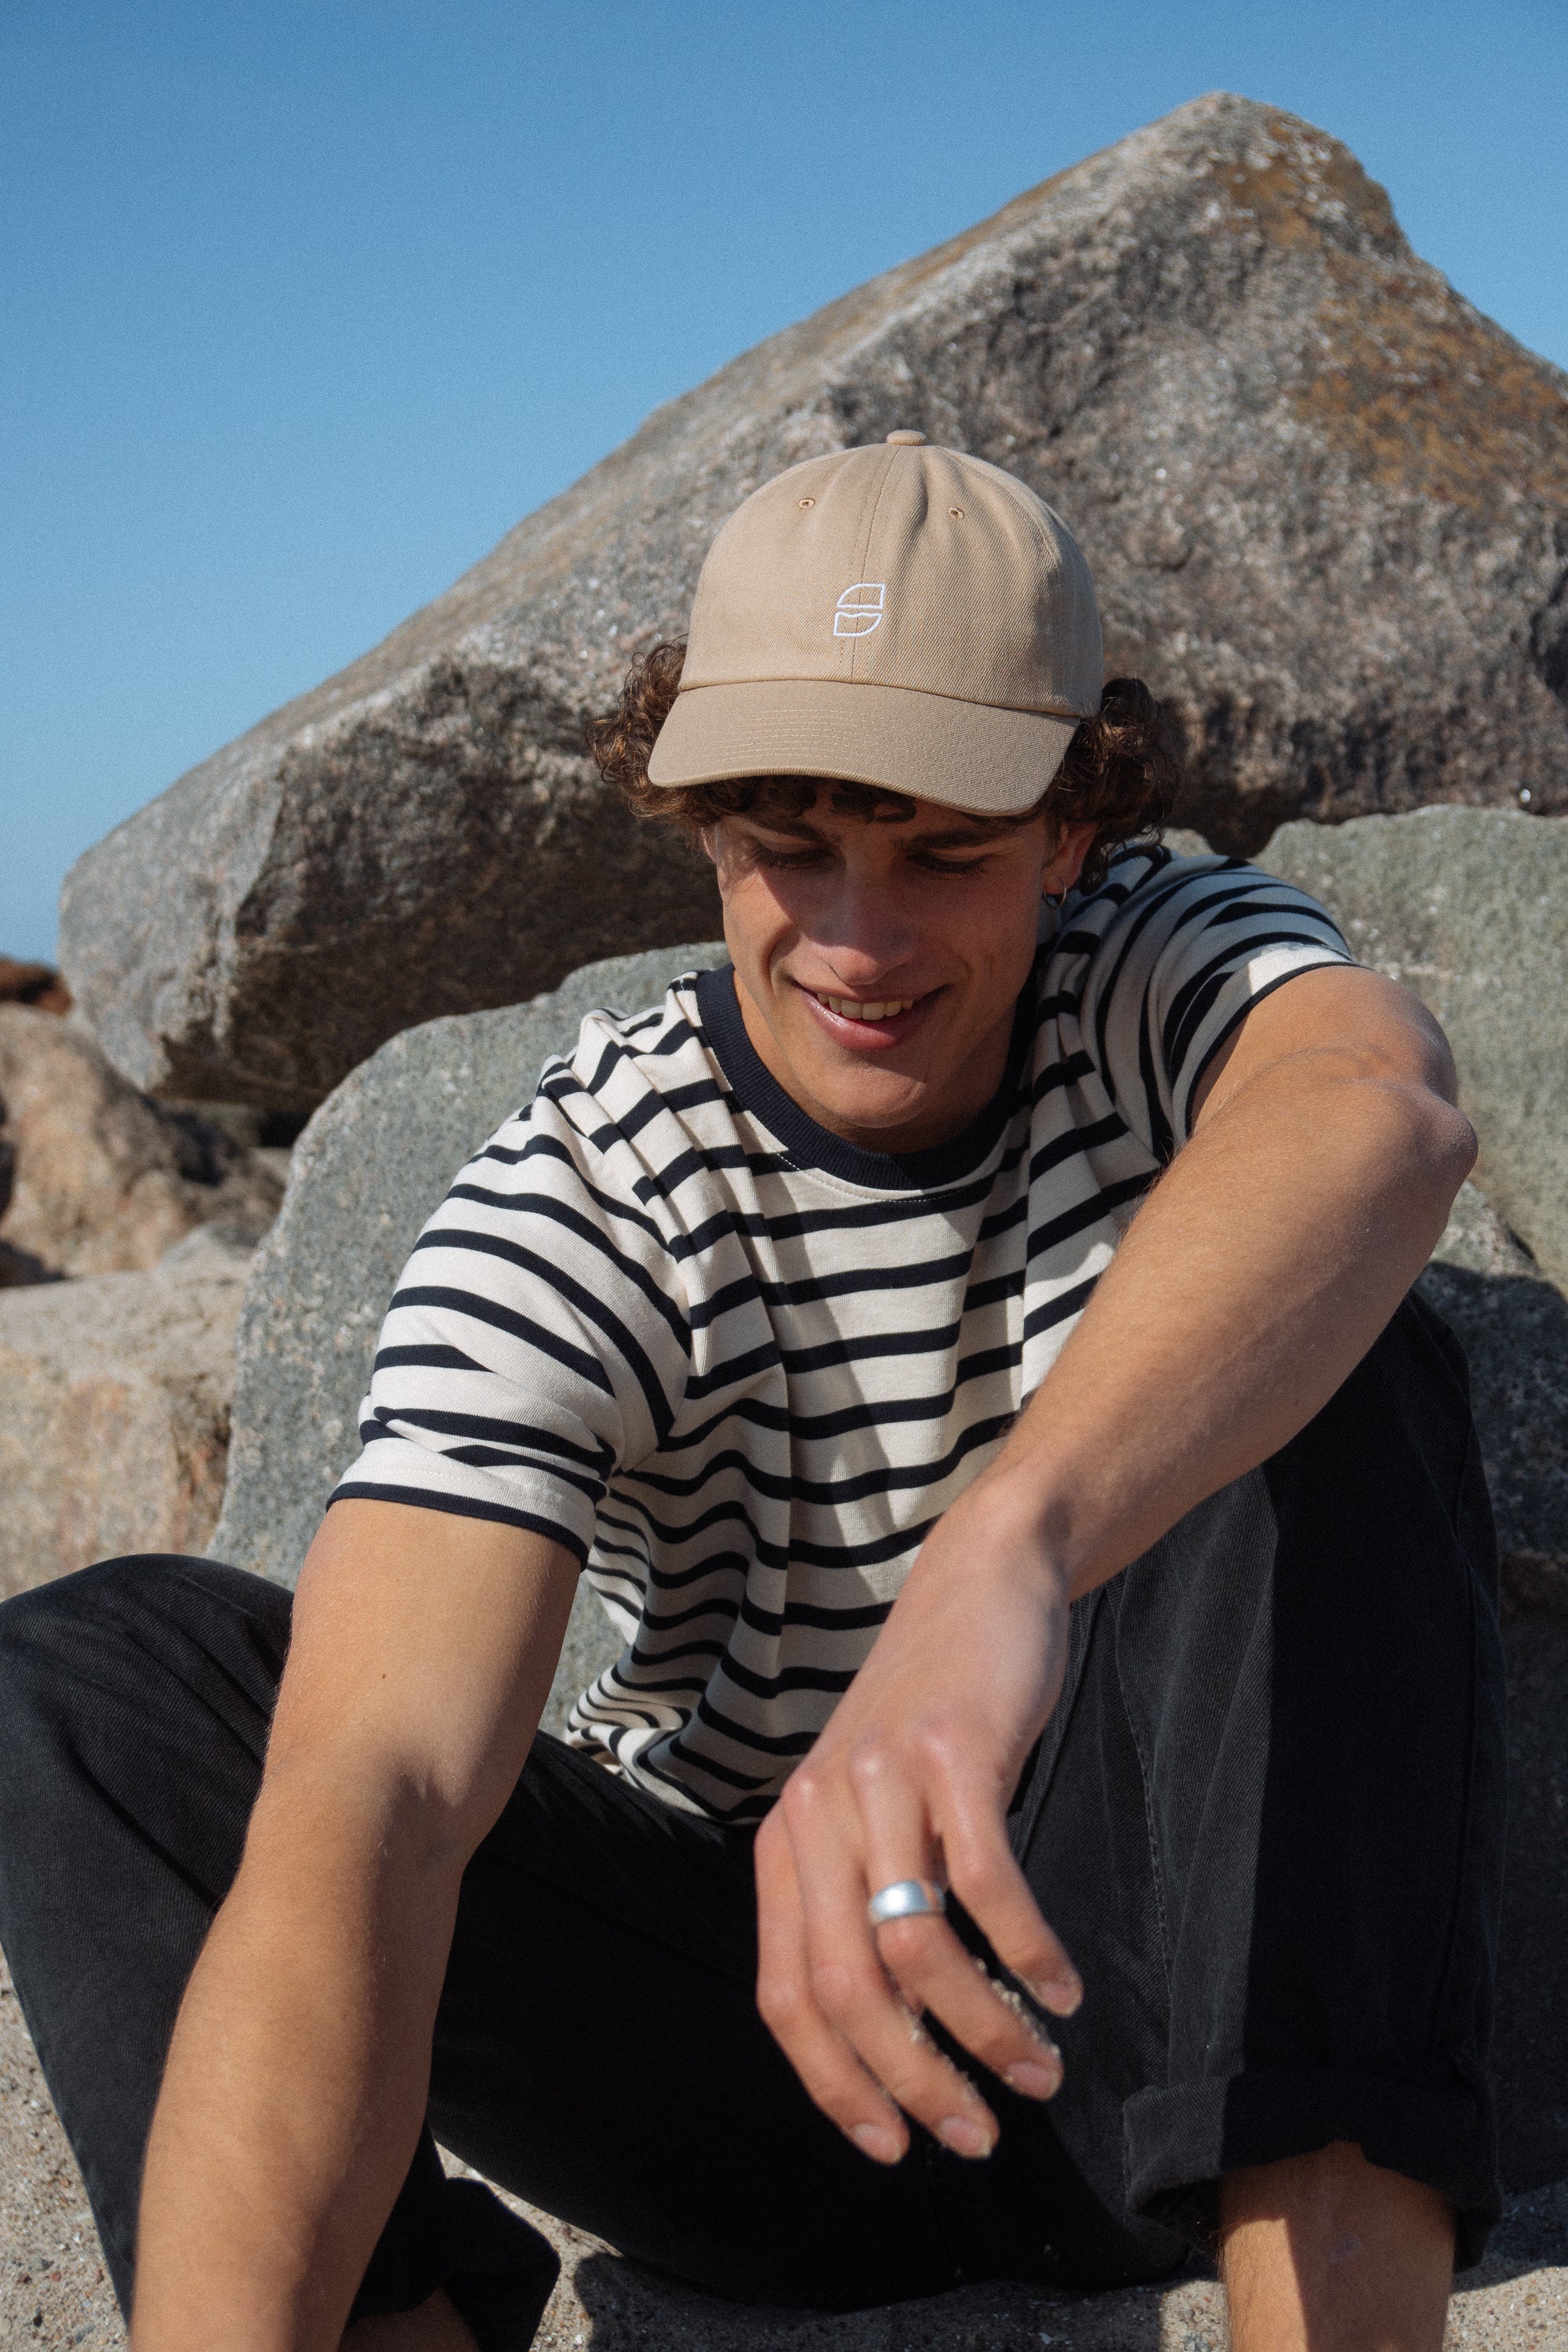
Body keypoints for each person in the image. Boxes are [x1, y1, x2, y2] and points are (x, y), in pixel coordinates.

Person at [0, 435, 1504, 2352]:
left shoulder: (1158, 965)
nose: (857, 941)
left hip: (1158, 2015)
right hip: (765, 2077)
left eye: (945, 853)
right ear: (698, 820)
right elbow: (375, 1795)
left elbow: (1374, 1110)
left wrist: (1001, 1557)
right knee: (101, 1678)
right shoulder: (594, 1186)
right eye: (791, 845)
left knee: (1346, 1369)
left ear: (1069, 828)